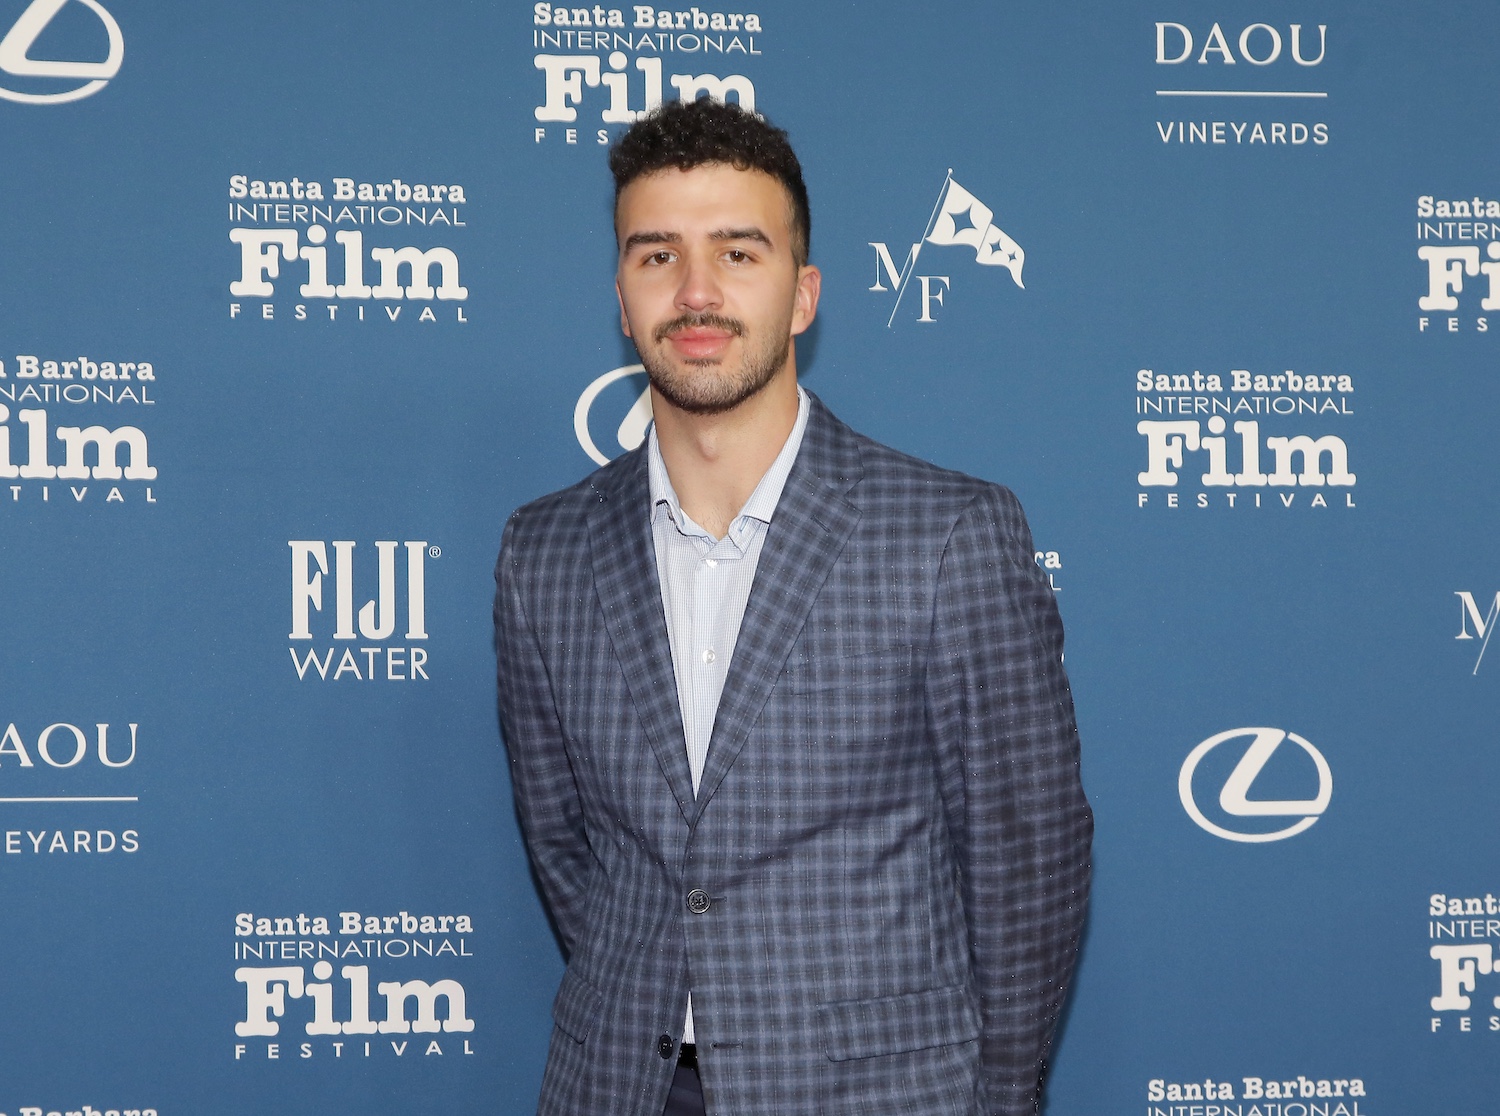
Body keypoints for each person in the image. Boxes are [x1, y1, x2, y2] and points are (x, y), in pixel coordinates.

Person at [495, 98, 1091, 1116]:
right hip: (619, 1087)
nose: (696, 291)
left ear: (803, 294)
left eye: (738, 253)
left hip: (880, 1095)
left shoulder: (946, 534)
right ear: (623, 299)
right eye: (657, 256)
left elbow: (1026, 857)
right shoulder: (541, 552)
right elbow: (565, 850)